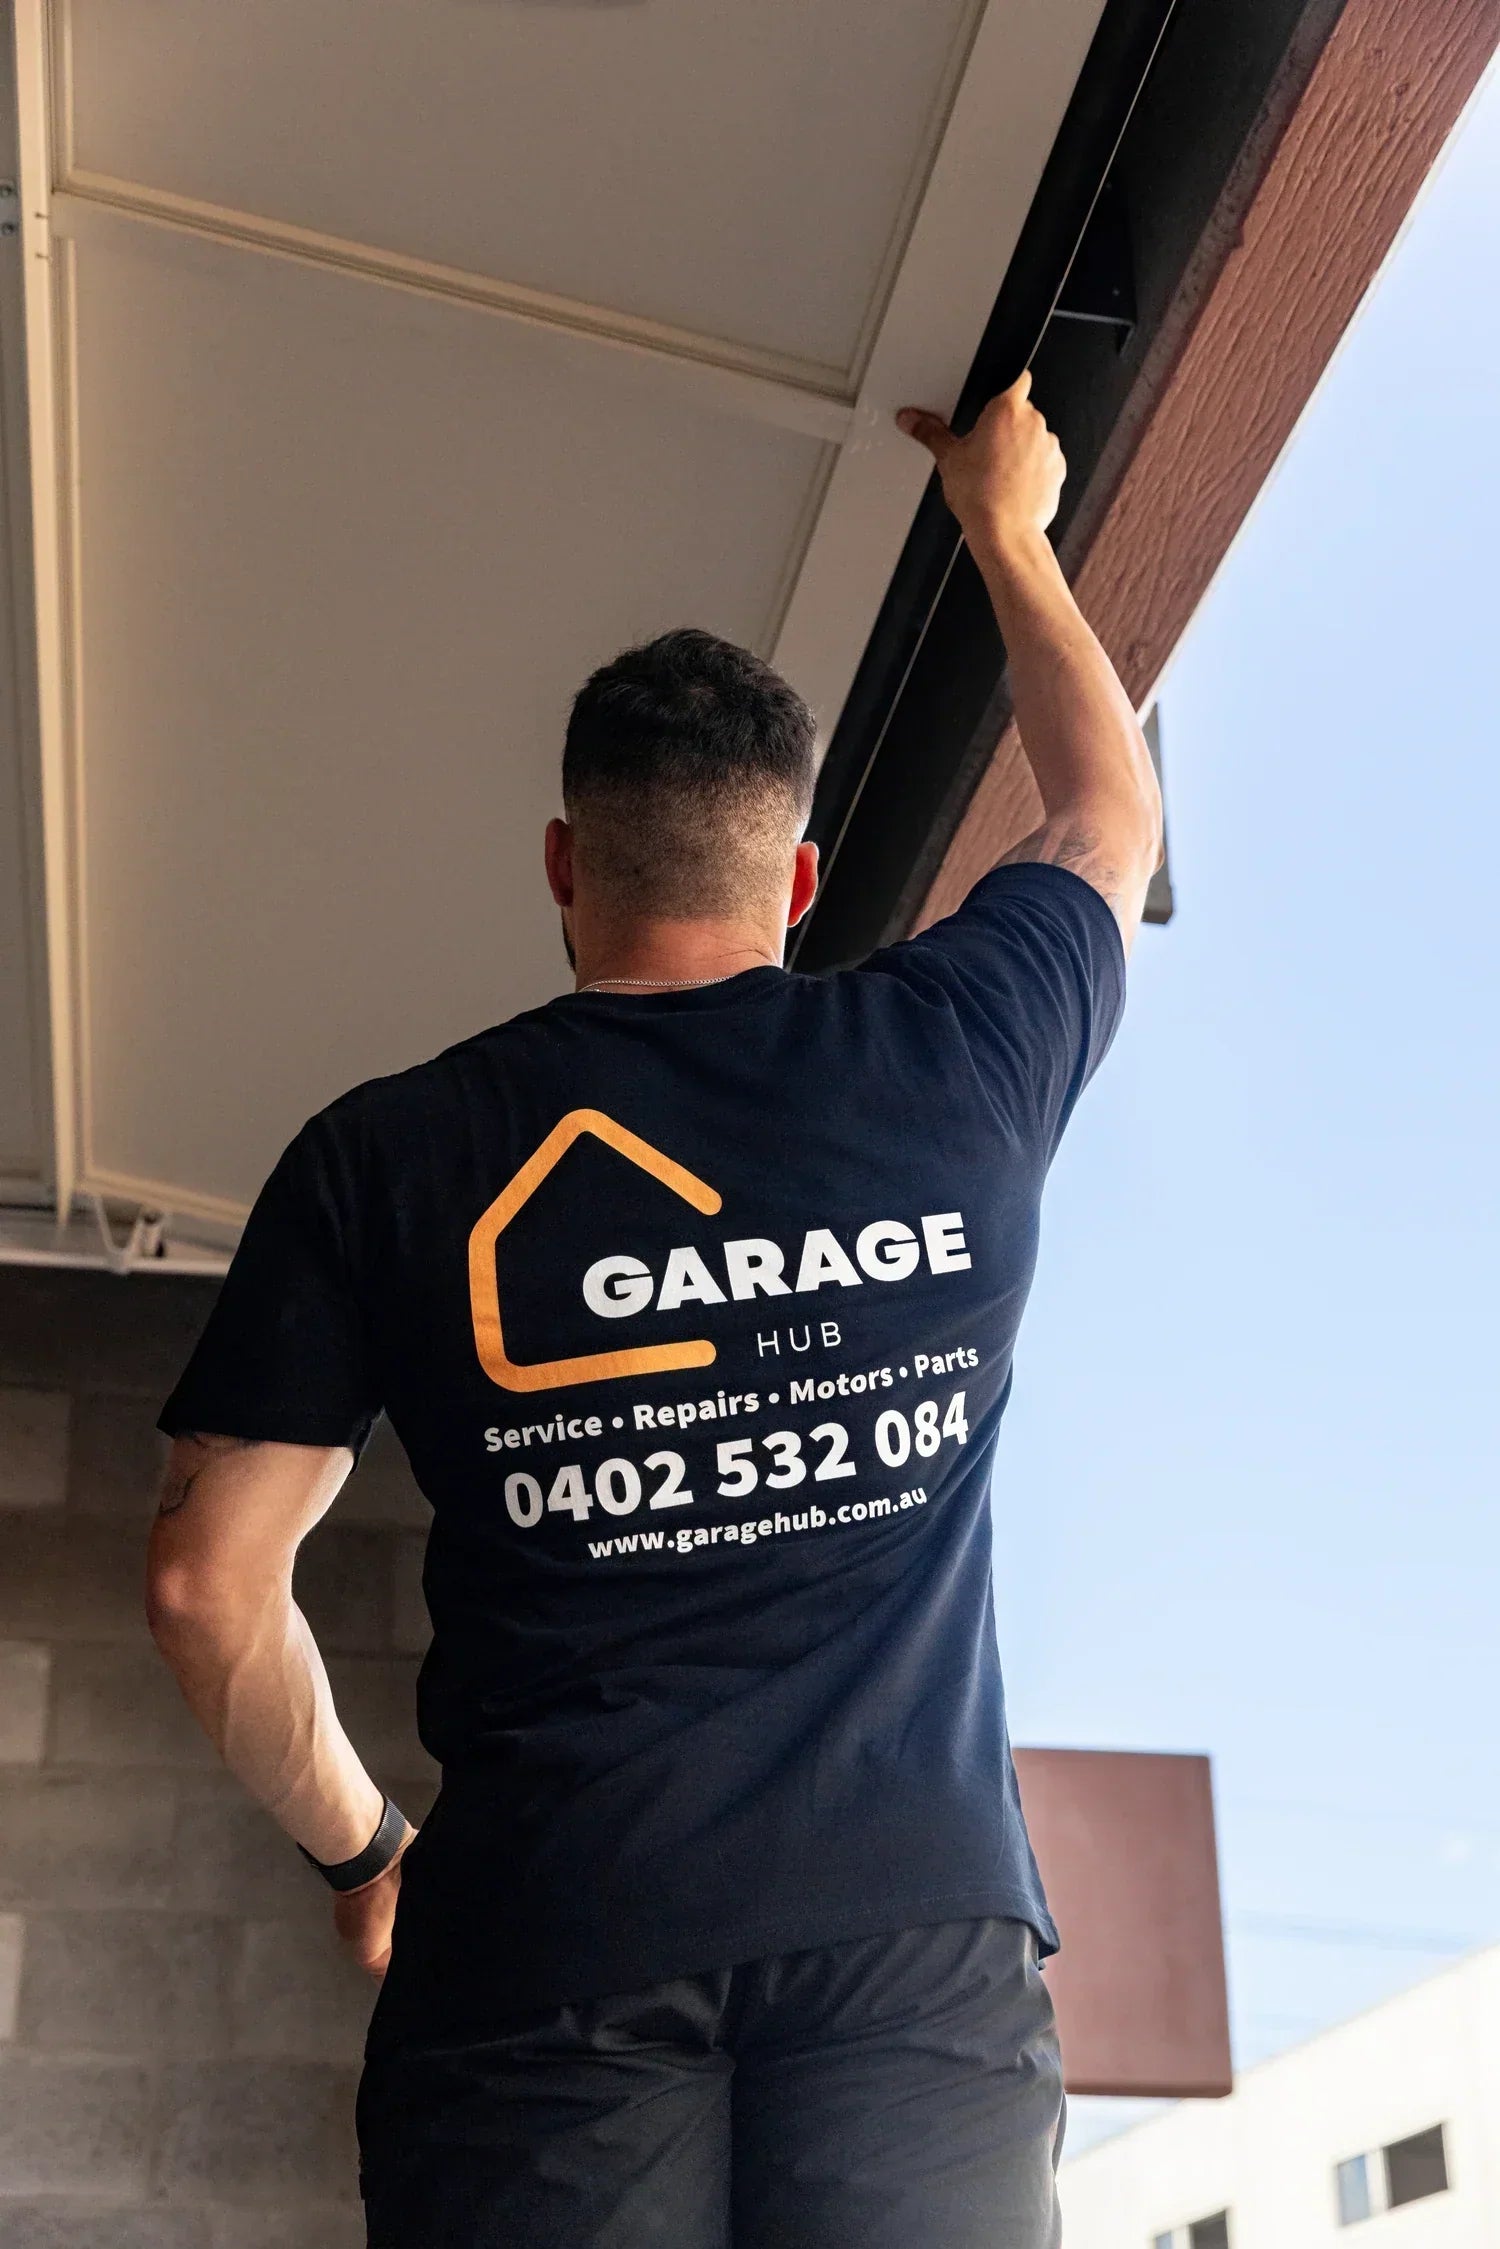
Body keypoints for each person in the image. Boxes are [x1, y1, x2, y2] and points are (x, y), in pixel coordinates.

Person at [147, 371, 1162, 2249]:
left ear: (562, 866)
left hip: (543, 1949)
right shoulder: (957, 1053)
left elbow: (211, 1583)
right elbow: (1106, 813)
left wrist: (366, 1846)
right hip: (912, 1950)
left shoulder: (391, 1155)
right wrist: (1008, 528)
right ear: (797, 875)